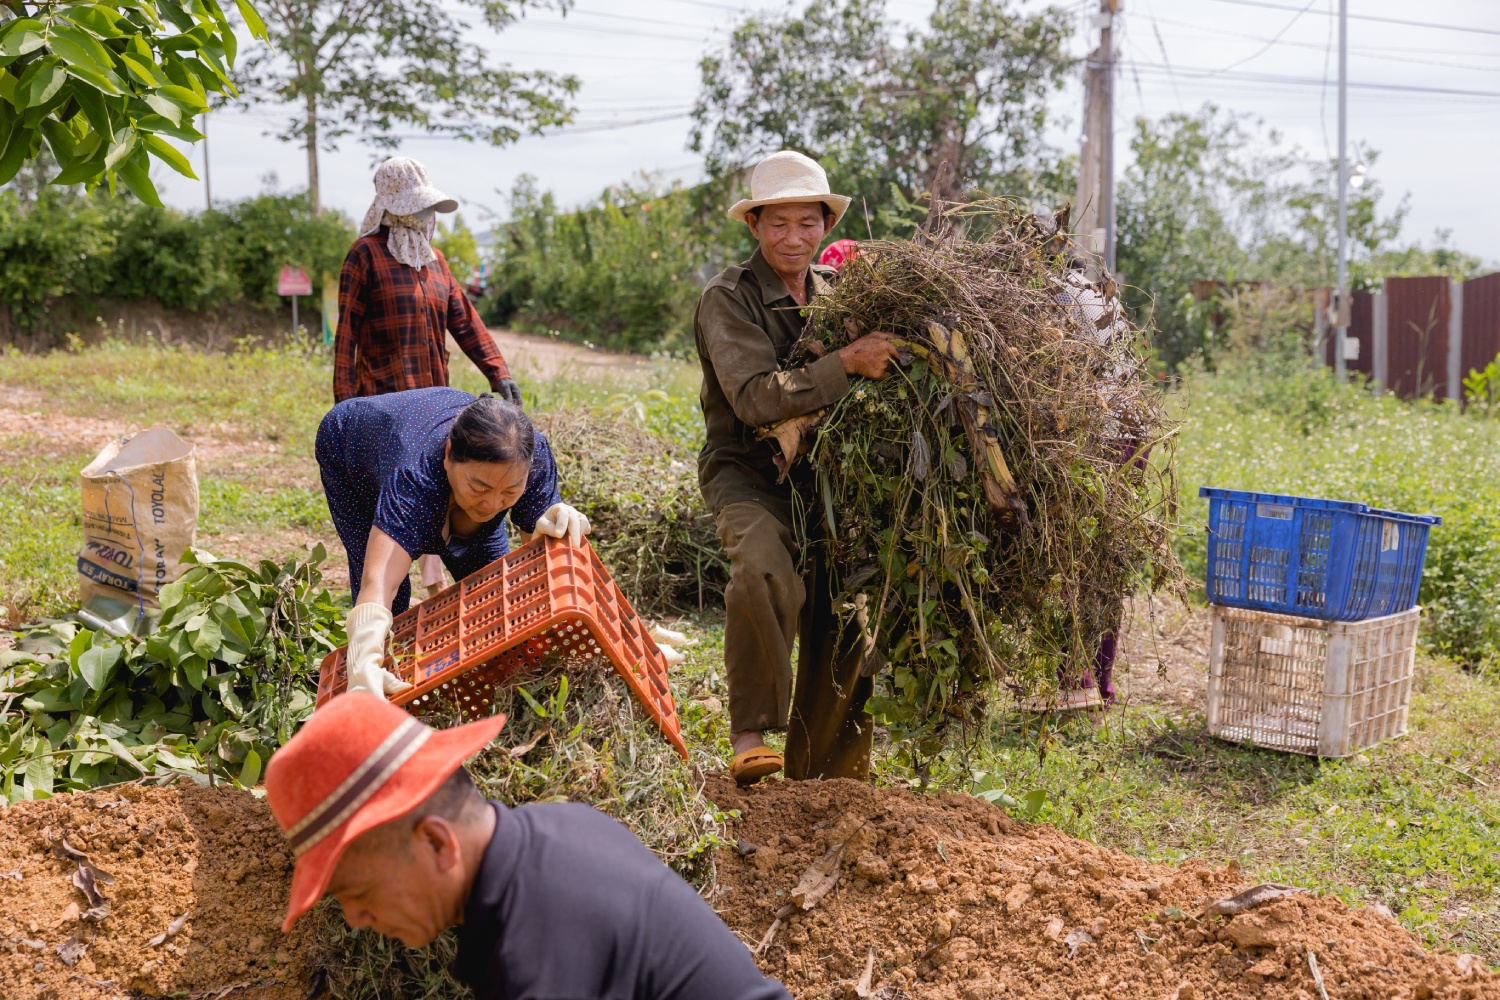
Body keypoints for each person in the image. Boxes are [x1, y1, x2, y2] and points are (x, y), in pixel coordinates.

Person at [266, 693, 791, 1000]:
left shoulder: (535, 954)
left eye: (355, 890)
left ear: (435, 841)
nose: (355, 917)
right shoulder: (553, 831)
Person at [694, 150, 901, 784]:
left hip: (827, 478)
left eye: (806, 223)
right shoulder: (727, 299)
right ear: (754, 226)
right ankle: (750, 736)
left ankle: (829, 775)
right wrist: (848, 363)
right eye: (778, 224)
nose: (793, 238)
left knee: (845, 606)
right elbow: (755, 397)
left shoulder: (838, 295)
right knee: (759, 567)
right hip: (746, 470)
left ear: (824, 226)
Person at [315, 387, 591, 696]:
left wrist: (554, 530)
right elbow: (379, 582)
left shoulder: (532, 454)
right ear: (449, 456)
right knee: (396, 600)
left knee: (490, 587)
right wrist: (363, 660)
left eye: (510, 492)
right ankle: (381, 680)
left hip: (425, 454)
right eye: (479, 488)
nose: (492, 504)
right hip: (351, 447)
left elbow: (534, 560)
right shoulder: (415, 476)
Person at [335, 157, 522, 598]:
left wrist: (499, 373)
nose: (427, 217)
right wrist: (344, 407)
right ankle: (386, 612)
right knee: (395, 512)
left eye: (429, 209)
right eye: (419, 209)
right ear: (393, 207)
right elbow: (346, 339)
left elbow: (467, 323)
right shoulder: (365, 256)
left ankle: (451, 592)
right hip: (385, 412)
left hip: (435, 407)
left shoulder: (435, 261)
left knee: (447, 498)